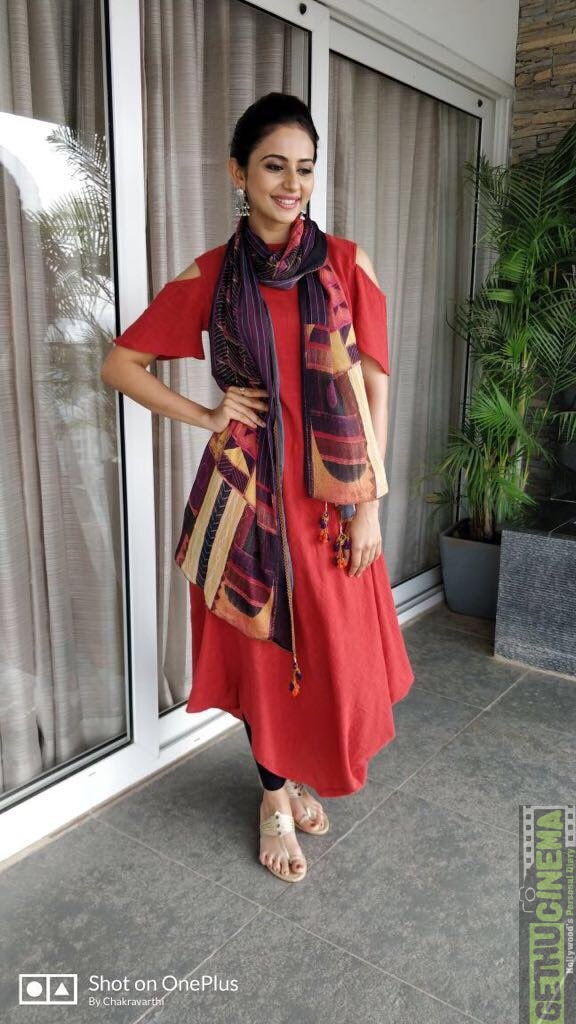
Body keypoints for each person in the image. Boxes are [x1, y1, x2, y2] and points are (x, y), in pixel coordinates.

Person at [101, 92, 414, 885]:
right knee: (264, 655)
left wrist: (368, 505)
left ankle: (298, 768)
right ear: (237, 173)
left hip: (331, 503)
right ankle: (274, 794)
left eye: (305, 169)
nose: (292, 185)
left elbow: (376, 391)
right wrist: (209, 413)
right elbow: (121, 365)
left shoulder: (347, 265)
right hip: (248, 498)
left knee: (332, 652)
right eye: (274, 166)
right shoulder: (212, 275)